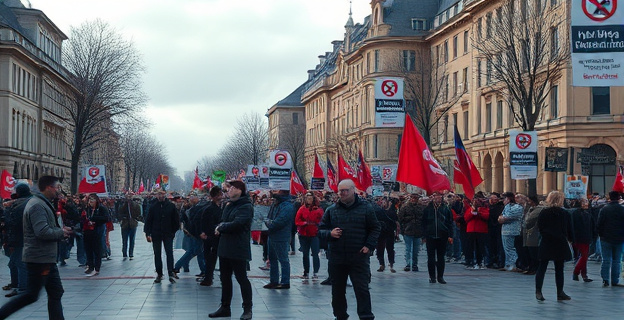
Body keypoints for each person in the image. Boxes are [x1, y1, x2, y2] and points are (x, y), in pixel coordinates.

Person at [0, 175, 72, 319]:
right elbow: (42, 232)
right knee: (31, 295)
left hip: (45, 257)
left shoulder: (42, 203)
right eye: (57, 187)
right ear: (48, 188)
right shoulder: (37, 205)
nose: (59, 191)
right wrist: (61, 232)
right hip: (40, 259)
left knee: (55, 292)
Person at [318, 179, 380, 320]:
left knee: (362, 289)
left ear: (353, 190)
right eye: (341, 191)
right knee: (337, 290)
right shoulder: (331, 210)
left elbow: (375, 228)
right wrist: (330, 233)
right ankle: (340, 315)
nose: (343, 193)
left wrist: (369, 245)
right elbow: (320, 230)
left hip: (358, 256)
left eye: (346, 190)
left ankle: (365, 316)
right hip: (337, 257)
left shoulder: (366, 208)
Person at [209, 180, 253, 320]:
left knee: (241, 278)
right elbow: (223, 221)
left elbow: (238, 223)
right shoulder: (229, 205)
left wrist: (221, 227)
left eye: (232, 188)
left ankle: (247, 309)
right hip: (225, 247)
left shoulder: (246, 206)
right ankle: (225, 307)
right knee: (225, 278)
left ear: (240, 190)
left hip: (238, 247)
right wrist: (220, 226)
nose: (228, 190)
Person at [535, 191, 572, 301]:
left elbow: (540, 227)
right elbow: (569, 228)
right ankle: (560, 292)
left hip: (547, 241)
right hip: (560, 242)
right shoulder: (565, 213)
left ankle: (538, 291)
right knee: (559, 269)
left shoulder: (544, 212)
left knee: (542, 267)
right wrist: (569, 239)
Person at [144, 189, 180, 284]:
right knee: (157, 254)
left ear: (165, 194)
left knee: (169, 253)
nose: (160, 196)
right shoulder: (153, 206)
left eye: (162, 194)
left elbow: (176, 220)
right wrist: (147, 233)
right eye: (158, 194)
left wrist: (173, 232)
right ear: (156, 195)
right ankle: (159, 273)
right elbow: (148, 220)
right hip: (156, 233)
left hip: (168, 233)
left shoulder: (171, 206)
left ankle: (170, 272)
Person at [2, 184, 32, 297]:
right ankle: (18, 284)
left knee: (19, 263)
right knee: (14, 262)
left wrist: (8, 209)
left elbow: (12, 222)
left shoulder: (19, 205)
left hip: (20, 237)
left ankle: (23, 287)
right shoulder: (30, 201)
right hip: (22, 238)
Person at [263, 189, 295, 289]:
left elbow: (280, 221)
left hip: (281, 236)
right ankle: (274, 280)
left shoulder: (287, 206)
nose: (273, 191)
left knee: (283, 259)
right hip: (272, 235)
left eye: (277, 190)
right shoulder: (276, 203)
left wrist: (270, 224)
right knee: (272, 258)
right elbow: (269, 217)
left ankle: (285, 282)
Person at [421, 191, 454, 284]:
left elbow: (450, 223)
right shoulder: (428, 208)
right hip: (430, 236)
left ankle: (440, 277)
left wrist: (450, 235)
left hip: (442, 236)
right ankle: (432, 277)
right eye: (436, 196)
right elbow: (423, 223)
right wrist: (424, 235)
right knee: (431, 258)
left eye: (439, 196)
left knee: (441, 257)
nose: (437, 198)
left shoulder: (445, 208)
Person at [596, 191, 624, 287]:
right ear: (618, 198)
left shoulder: (604, 209)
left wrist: (601, 235)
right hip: (619, 238)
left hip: (606, 238)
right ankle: (615, 280)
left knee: (606, 260)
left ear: (610, 198)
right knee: (617, 260)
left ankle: (605, 279)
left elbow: (599, 224)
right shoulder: (622, 209)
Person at [295, 191, 324, 279]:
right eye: (307, 198)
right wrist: (303, 223)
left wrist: (317, 226)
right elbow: (297, 220)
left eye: (310, 198)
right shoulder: (302, 209)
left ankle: (315, 272)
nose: (309, 200)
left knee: (315, 253)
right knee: (305, 254)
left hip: (314, 234)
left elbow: (323, 221)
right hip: (304, 234)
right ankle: (306, 272)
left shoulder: (318, 210)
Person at [199, 186, 223, 286]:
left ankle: (210, 277)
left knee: (215, 259)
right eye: (219, 195)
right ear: (215, 196)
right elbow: (205, 224)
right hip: (211, 237)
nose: (222, 196)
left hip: (217, 237)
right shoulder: (209, 209)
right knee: (210, 259)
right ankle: (208, 277)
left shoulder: (221, 207)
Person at [82, 194, 110, 277]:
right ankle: (90, 266)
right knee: (88, 250)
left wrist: (94, 220)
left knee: (97, 250)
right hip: (88, 232)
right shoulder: (88, 209)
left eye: (92, 200)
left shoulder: (101, 208)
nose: (91, 202)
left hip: (97, 231)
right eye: (89, 200)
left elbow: (106, 218)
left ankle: (96, 268)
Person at [571, 198, 596, 282]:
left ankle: (584, 274)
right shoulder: (578, 213)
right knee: (584, 256)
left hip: (583, 237)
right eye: (584, 202)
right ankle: (576, 272)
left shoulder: (587, 213)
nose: (586, 204)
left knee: (584, 256)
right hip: (581, 237)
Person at [397, 193, 424, 272]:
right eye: (412, 198)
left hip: (418, 231)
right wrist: (403, 229)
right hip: (408, 230)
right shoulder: (405, 207)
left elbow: (423, 219)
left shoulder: (421, 208)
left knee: (416, 250)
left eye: (415, 198)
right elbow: (400, 218)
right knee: (408, 249)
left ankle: (415, 264)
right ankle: (408, 264)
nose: (413, 199)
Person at [498, 192, 523, 272]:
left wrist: (502, 218)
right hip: (506, 230)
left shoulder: (517, 207)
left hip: (511, 230)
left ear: (508, 199)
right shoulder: (507, 207)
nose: (503, 201)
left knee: (510, 248)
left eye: (504, 199)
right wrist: (501, 218)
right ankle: (508, 264)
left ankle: (512, 264)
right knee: (506, 248)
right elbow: (500, 217)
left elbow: (506, 217)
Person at [464, 197, 490, 270]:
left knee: (480, 247)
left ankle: (480, 262)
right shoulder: (469, 209)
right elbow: (466, 218)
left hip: (481, 230)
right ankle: (470, 261)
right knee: (470, 247)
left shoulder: (484, 209)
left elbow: (486, 216)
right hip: (471, 230)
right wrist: (472, 213)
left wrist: (479, 213)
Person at [117, 194, 142, 260]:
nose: (129, 198)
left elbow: (138, 213)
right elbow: (119, 212)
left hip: (132, 224)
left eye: (130, 196)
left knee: (132, 239)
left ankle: (131, 253)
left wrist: (136, 219)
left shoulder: (135, 205)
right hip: (125, 224)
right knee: (124, 240)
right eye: (128, 196)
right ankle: (124, 253)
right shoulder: (122, 204)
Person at [487, 193, 505, 268]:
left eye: (495, 199)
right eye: (492, 199)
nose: (493, 200)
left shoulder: (500, 207)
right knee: (491, 246)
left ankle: (498, 261)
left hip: (498, 228)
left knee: (498, 246)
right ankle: (491, 260)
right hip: (490, 228)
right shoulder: (488, 207)